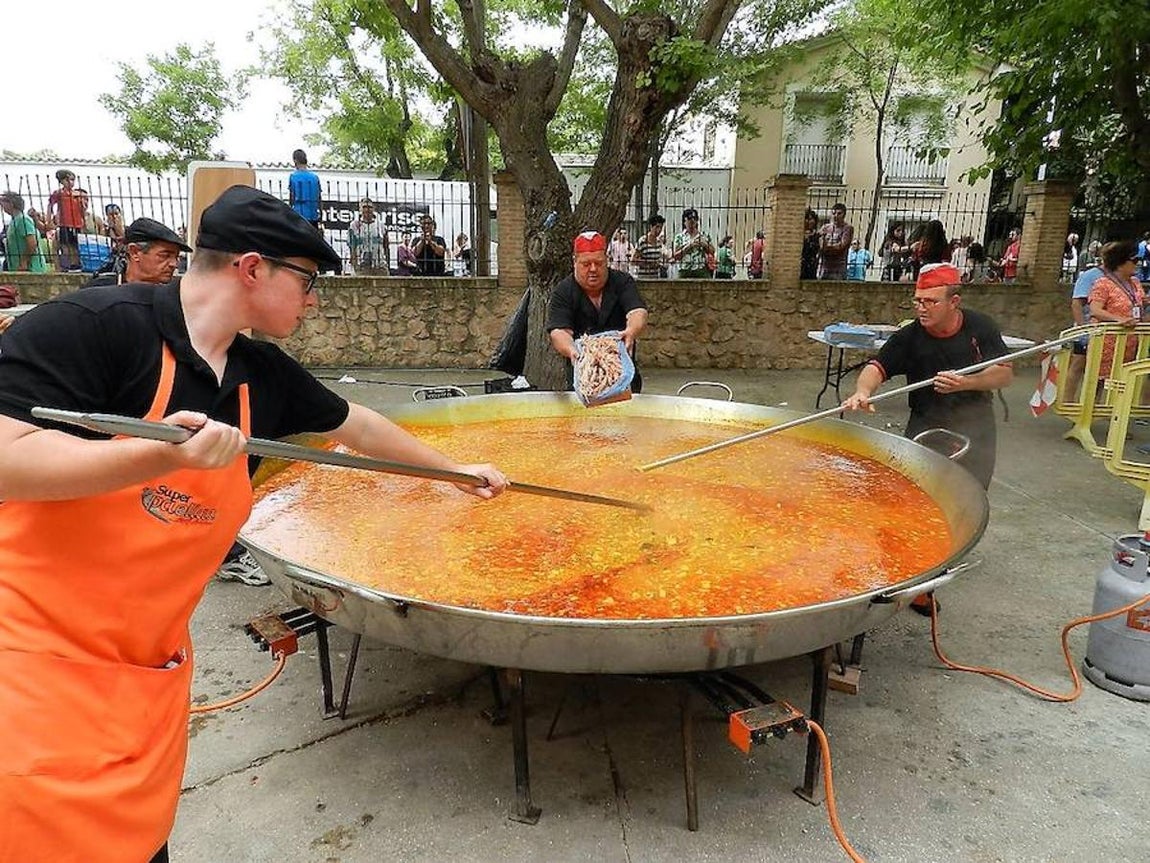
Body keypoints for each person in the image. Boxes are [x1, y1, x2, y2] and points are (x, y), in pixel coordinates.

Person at [0, 184, 507, 863]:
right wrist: (146, 457)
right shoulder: (93, 328)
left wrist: (456, 470)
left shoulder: (259, 374)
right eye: (306, 280)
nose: (313, 297)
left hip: (143, 684)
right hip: (31, 675)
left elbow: (358, 425)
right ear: (251, 267)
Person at [842, 261, 1013, 496]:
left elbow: (1004, 373)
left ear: (954, 302)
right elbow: (876, 368)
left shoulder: (980, 327)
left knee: (969, 495)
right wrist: (863, 391)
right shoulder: (909, 337)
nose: (922, 308)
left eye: (931, 301)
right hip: (925, 422)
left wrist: (966, 383)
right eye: (918, 301)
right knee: (915, 493)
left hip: (975, 423)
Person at [547, 231, 649, 392]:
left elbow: (637, 311)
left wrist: (631, 331)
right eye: (586, 264)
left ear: (606, 260)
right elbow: (559, 331)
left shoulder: (623, 282)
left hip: (623, 375)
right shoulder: (563, 291)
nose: (593, 269)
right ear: (575, 262)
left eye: (599, 263)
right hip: (584, 377)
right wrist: (572, 351)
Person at [1087, 239, 1145, 379]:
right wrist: (1119, 319)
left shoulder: (1135, 283)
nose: (1138, 264)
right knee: (1098, 383)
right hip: (1107, 342)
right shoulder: (1103, 283)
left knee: (1122, 383)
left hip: (1129, 342)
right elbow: (1095, 310)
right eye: (1134, 261)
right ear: (1120, 264)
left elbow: (1141, 304)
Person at [82, 218, 191, 288]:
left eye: (176, 257)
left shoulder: (176, 297)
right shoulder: (99, 291)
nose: (174, 264)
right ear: (134, 252)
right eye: (165, 255)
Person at [1066, 255, 1103, 402]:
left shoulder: (1120, 277)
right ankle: (1068, 401)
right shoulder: (1090, 276)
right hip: (1087, 329)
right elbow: (1076, 304)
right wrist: (1082, 329)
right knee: (1078, 364)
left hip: (1105, 331)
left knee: (1101, 370)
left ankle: (1093, 404)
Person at [0, 191, 48, 272]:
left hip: (31, 269)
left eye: (3, 201)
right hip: (18, 268)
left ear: (11, 203)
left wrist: (24, 261)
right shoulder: (14, 220)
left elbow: (32, 243)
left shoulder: (23, 220)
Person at [47, 168, 82, 271]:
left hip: (77, 223)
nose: (71, 183)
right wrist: (49, 220)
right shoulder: (59, 193)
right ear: (62, 181)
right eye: (68, 180)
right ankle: (68, 264)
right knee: (65, 244)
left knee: (75, 245)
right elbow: (50, 205)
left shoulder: (76, 194)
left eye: (72, 180)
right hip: (65, 223)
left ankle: (76, 264)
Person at [348, 198, 389, 275]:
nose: (367, 209)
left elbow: (386, 245)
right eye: (364, 207)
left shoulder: (381, 225)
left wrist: (387, 263)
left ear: (373, 209)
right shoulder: (354, 226)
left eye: (369, 207)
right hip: (361, 266)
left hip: (379, 265)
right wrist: (355, 265)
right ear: (360, 209)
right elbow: (352, 246)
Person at [671, 208, 714, 279]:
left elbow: (712, 251)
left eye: (695, 218)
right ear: (684, 221)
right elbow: (676, 256)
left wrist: (704, 244)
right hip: (684, 270)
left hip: (701, 269)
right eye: (689, 219)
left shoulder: (704, 235)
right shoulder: (679, 237)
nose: (692, 221)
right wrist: (689, 246)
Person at [288, 149, 322, 229]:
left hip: (298, 216)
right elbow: (319, 198)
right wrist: (320, 214)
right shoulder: (315, 177)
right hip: (313, 216)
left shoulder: (293, 177)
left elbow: (292, 198)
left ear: (295, 160)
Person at [817, 203, 852, 279]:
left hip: (838, 268)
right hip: (824, 267)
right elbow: (818, 243)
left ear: (844, 215)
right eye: (833, 213)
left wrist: (826, 247)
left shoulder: (847, 228)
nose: (836, 216)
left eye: (839, 213)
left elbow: (841, 246)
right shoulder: (825, 227)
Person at [632, 214, 666, 278]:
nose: (658, 230)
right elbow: (633, 260)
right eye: (657, 227)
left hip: (655, 276)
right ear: (651, 227)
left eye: (660, 228)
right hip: (643, 276)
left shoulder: (659, 242)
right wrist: (648, 264)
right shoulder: (643, 241)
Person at [801, 209, 820, 280]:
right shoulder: (798, 235)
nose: (810, 222)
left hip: (811, 265)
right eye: (808, 219)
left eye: (812, 219)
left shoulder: (816, 235)